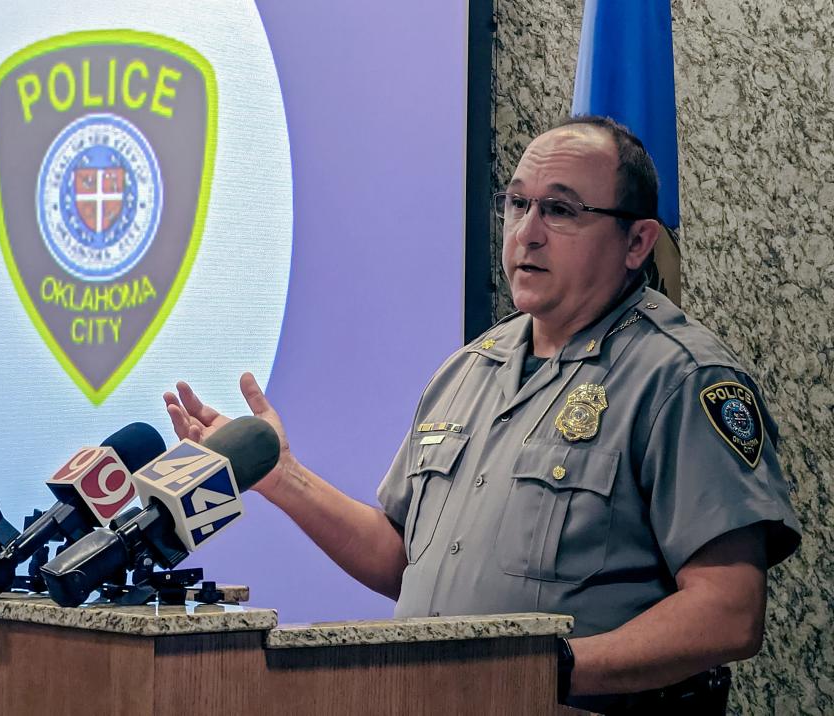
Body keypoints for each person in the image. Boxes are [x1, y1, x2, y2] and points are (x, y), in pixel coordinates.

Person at [164, 116, 801, 714]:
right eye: (518, 204)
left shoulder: (679, 378)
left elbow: (728, 613)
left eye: (560, 210)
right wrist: (281, 475)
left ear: (638, 241)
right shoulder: (469, 369)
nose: (527, 230)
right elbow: (400, 561)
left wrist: (536, 671)